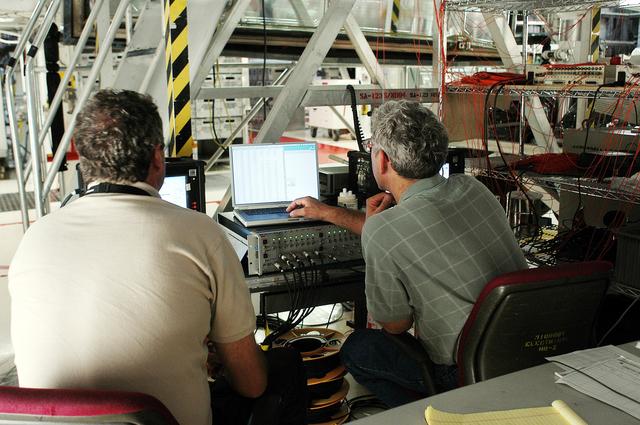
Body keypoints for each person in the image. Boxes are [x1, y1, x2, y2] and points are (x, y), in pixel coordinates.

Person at [9, 89, 307, 425]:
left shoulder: (35, 237)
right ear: (157, 157)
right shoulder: (199, 233)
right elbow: (251, 384)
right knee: (284, 368)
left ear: (85, 163)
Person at [287, 100, 527, 407]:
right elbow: (412, 233)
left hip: (462, 371)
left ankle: (435, 411)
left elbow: (395, 325)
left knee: (358, 348)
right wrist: (332, 214)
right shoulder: (472, 188)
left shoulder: (384, 231)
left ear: (383, 160)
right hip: (522, 348)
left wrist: (375, 234)